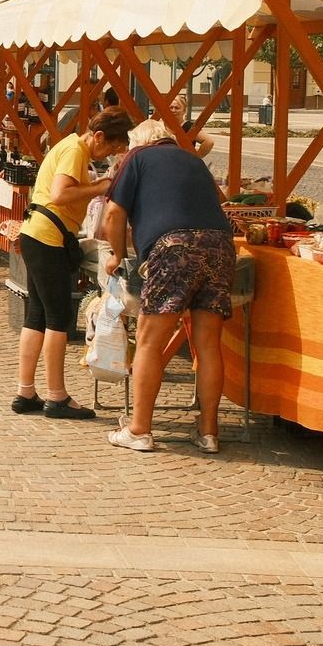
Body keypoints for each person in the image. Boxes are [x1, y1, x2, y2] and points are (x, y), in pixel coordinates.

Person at [101, 119, 235, 454]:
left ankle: (139, 430)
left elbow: (113, 214)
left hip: (174, 248)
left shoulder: (137, 157)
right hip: (220, 246)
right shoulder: (192, 159)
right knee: (208, 345)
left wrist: (117, 255)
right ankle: (208, 433)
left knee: (149, 341)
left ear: (138, 142)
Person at [11, 107, 133, 421]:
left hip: (36, 233)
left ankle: (26, 392)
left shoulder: (68, 147)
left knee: (36, 315)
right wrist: (102, 186)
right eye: (112, 147)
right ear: (99, 136)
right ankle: (57, 396)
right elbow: (60, 193)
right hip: (48, 237)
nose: (110, 154)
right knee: (58, 317)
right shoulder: (76, 150)